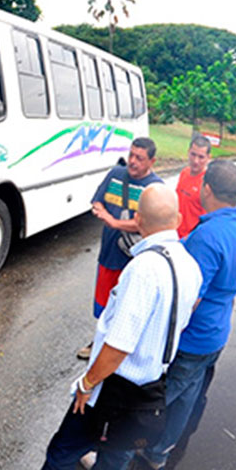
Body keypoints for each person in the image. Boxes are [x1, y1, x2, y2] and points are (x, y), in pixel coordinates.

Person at [0, 184, 202, 470]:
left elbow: (118, 345)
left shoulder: (143, 270)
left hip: (113, 388)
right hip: (151, 386)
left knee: (64, 449)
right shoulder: (190, 266)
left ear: (137, 220)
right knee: (115, 455)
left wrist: (86, 385)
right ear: (179, 219)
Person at [138, 160, 236, 470]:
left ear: (207, 189)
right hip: (217, 332)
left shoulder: (209, 236)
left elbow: (192, 296)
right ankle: (160, 452)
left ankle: (120, 459)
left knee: (157, 398)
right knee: (187, 396)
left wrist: (164, 332)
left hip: (194, 335)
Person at [77, 137, 164, 360]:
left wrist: (114, 222)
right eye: (131, 155)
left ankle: (119, 351)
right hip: (108, 254)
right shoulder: (116, 174)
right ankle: (99, 341)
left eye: (139, 158)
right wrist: (99, 210)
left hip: (134, 260)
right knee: (104, 304)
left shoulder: (155, 188)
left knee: (128, 306)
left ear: (152, 161)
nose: (132, 161)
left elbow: (143, 223)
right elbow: (98, 200)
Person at [175, 134, 211, 238]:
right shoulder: (184, 173)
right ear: (188, 152)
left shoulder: (207, 184)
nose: (196, 161)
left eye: (201, 157)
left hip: (191, 239)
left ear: (208, 157)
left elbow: (207, 220)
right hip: (176, 235)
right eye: (193, 154)